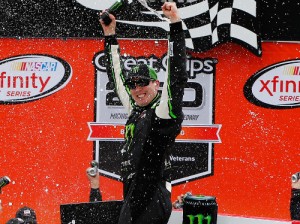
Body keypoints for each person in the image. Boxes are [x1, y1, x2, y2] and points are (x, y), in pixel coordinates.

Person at [100, 2, 187, 224]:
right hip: (133, 191)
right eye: (133, 85)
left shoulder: (163, 111)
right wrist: (110, 36)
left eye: (143, 83)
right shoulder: (136, 109)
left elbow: (176, 76)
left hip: (152, 192)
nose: (137, 89)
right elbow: (116, 78)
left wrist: (175, 24)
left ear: (156, 84)